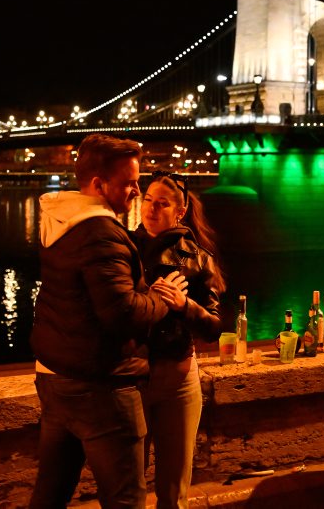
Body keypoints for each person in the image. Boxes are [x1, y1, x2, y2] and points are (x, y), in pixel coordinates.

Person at [29, 134, 180, 509]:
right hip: (102, 387)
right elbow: (123, 314)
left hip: (54, 377)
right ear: (98, 184)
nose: (136, 191)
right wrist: (162, 300)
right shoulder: (101, 234)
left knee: (50, 495)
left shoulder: (59, 222)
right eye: (129, 183)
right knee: (125, 499)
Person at [131, 171, 226, 509]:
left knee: (174, 492)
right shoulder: (124, 249)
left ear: (180, 212)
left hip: (179, 381)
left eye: (162, 204)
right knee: (130, 487)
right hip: (131, 379)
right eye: (148, 200)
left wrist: (185, 305)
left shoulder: (198, 258)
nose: (151, 209)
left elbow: (214, 327)